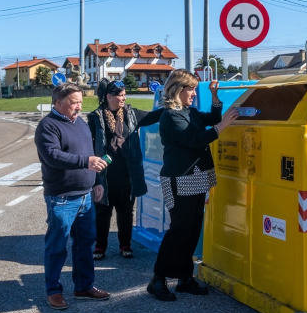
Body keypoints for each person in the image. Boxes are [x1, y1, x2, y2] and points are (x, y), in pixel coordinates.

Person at [148, 70, 238, 301]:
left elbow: (213, 118)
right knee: (179, 230)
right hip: (179, 179)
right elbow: (194, 139)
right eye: (191, 89)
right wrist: (223, 127)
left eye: (195, 89)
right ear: (178, 89)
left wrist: (215, 96)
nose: (193, 93)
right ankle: (158, 279)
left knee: (192, 229)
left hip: (197, 178)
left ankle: (185, 278)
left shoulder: (189, 112)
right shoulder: (170, 116)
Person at [34, 82, 111, 310]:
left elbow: (90, 153)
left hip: (86, 195)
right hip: (62, 197)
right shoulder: (48, 126)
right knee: (57, 246)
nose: (79, 106)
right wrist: (85, 162)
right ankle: (54, 291)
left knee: (85, 244)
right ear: (58, 102)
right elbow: (52, 156)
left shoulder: (81, 124)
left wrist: (96, 181)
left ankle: (84, 286)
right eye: (73, 102)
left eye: (80, 102)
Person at [87, 79, 163, 260]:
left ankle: (125, 244)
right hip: (104, 174)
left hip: (128, 173)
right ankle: (100, 246)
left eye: (124, 94)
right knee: (102, 212)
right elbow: (88, 143)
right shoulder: (95, 117)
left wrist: (170, 107)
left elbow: (153, 116)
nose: (123, 98)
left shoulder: (132, 114)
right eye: (120, 95)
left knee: (125, 212)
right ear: (108, 97)